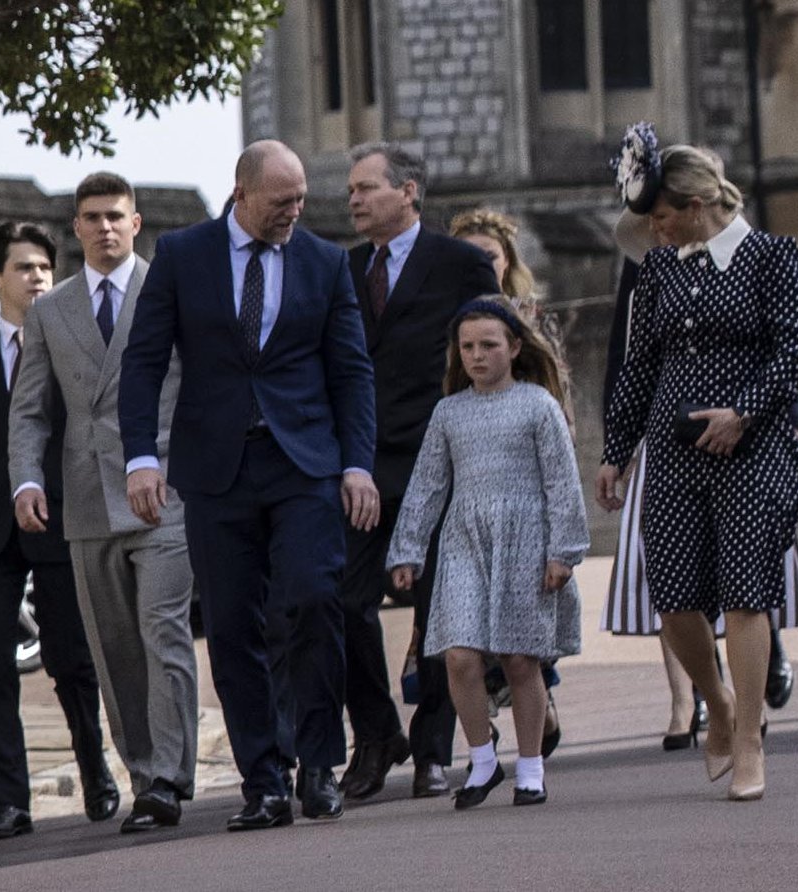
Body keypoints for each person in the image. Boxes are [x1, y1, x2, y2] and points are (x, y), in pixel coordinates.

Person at [119, 140, 379, 831]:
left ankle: (319, 764)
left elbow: (352, 372)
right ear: (242, 193)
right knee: (233, 625)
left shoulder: (325, 262)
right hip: (215, 470)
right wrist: (140, 457)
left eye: (300, 199)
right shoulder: (182, 256)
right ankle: (263, 780)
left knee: (314, 597)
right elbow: (143, 362)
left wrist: (357, 463)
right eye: (281, 200)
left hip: (305, 465)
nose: (296, 211)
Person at [595, 126, 798, 802]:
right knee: (673, 600)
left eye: (660, 217)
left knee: (747, 592)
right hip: (670, 450)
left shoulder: (774, 257)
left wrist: (741, 413)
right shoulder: (659, 270)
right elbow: (639, 367)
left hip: (751, 449)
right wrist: (615, 450)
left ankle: (748, 738)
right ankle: (716, 705)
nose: (654, 231)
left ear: (695, 205)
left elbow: (795, 353)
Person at [9, 173, 199, 834]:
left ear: (137, 222)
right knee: (114, 648)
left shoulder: (168, 290)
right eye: (92, 217)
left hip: (164, 493)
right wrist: (25, 480)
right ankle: (144, 772)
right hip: (87, 501)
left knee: (163, 630)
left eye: (116, 215)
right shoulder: (50, 310)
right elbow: (29, 410)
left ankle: (170, 778)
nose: (105, 227)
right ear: (76, 227)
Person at [0, 222, 117, 842]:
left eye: (44, 267)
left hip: (62, 521)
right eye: (23, 268)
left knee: (73, 661)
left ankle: (95, 770)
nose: (37, 278)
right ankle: (8, 802)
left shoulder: (72, 346)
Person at [340, 142, 500, 801]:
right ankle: (378, 735)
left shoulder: (463, 265)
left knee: (440, 609)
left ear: (408, 191)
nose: (354, 199)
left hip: (439, 459)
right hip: (360, 467)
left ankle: (434, 749)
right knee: (343, 601)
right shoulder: (338, 269)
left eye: (367, 187)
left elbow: (494, 351)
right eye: (350, 189)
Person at [387, 296, 588, 808]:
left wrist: (563, 551)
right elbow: (429, 484)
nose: (477, 356)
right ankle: (480, 760)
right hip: (463, 541)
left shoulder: (538, 405)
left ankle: (531, 766)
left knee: (521, 659)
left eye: (489, 345)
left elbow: (562, 483)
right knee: (458, 654)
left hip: (526, 539)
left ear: (515, 347)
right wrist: (407, 549)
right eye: (468, 347)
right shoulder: (449, 412)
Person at [447, 207, 567, 753]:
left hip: (524, 511)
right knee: (463, 641)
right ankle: (483, 743)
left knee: (521, 644)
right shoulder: (455, 331)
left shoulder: (528, 325)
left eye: (487, 257)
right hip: (468, 505)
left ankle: (532, 727)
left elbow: (556, 398)